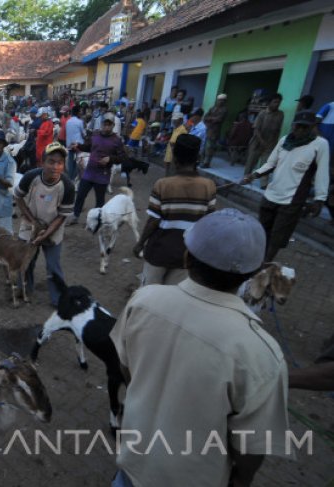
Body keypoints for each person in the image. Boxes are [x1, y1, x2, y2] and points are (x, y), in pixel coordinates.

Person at [111, 208, 291, 487]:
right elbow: (251, 447)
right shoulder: (262, 354)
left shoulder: (143, 301)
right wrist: (242, 480)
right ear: (252, 273)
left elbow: (125, 365)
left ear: (187, 255)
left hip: (131, 466)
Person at [242, 111, 330, 262]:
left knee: (278, 236)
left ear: (313, 127)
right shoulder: (284, 140)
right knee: (263, 230)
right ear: (293, 125)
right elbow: (271, 163)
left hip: (292, 200)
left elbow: (322, 173)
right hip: (272, 193)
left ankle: (265, 264)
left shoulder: (320, 144)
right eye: (298, 126)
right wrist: (254, 175)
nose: (300, 130)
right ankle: (256, 258)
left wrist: (320, 199)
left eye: (305, 127)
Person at [133, 134, 216, 286]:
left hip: (159, 252)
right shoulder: (209, 186)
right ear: (197, 157)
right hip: (187, 255)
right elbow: (208, 223)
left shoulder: (163, 184)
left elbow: (154, 221)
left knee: (149, 294)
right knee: (172, 297)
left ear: (175, 158)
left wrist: (140, 243)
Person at [14, 142, 75, 307]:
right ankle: (24, 289)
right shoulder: (31, 177)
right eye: (51, 161)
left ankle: (58, 298)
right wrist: (33, 222)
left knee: (53, 265)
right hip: (30, 224)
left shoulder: (68, 186)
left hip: (53, 229)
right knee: (25, 261)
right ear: (42, 162)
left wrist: (45, 234)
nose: (55, 166)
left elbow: (62, 215)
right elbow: (18, 197)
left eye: (60, 163)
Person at [67, 114, 127, 226]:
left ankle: (96, 220)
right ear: (101, 124)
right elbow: (89, 147)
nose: (107, 127)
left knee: (99, 200)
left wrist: (110, 159)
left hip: (102, 175)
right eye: (105, 124)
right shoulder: (95, 136)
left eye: (110, 125)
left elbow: (123, 157)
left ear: (113, 125)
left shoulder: (117, 140)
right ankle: (75, 216)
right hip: (89, 172)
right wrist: (78, 146)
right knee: (80, 195)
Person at [244, 94, 284, 188]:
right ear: (269, 103)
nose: (277, 104)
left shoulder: (280, 114)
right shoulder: (262, 113)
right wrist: (262, 141)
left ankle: (263, 183)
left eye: (279, 102)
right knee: (251, 162)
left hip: (270, 143)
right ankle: (246, 178)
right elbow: (256, 129)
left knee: (266, 164)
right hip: (257, 142)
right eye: (275, 102)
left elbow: (278, 130)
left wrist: (276, 144)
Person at [201, 93, 228, 167]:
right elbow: (205, 117)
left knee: (210, 147)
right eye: (219, 100)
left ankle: (207, 163)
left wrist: (210, 118)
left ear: (224, 101)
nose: (220, 102)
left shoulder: (224, 110)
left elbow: (218, 119)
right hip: (208, 129)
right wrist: (211, 119)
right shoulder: (213, 108)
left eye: (222, 100)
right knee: (204, 146)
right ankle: (202, 161)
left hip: (214, 131)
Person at [65, 106, 85, 181]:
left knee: (71, 163)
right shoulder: (80, 122)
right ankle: (75, 178)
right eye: (80, 111)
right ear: (77, 112)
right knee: (78, 162)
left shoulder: (68, 121)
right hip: (78, 145)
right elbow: (83, 133)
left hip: (70, 145)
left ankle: (70, 178)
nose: (81, 113)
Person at [164, 112, 187, 176]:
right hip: (169, 153)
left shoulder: (183, 130)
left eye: (176, 119)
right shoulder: (175, 128)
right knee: (167, 173)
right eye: (173, 119)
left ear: (181, 120)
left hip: (175, 155)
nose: (174, 121)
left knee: (173, 173)